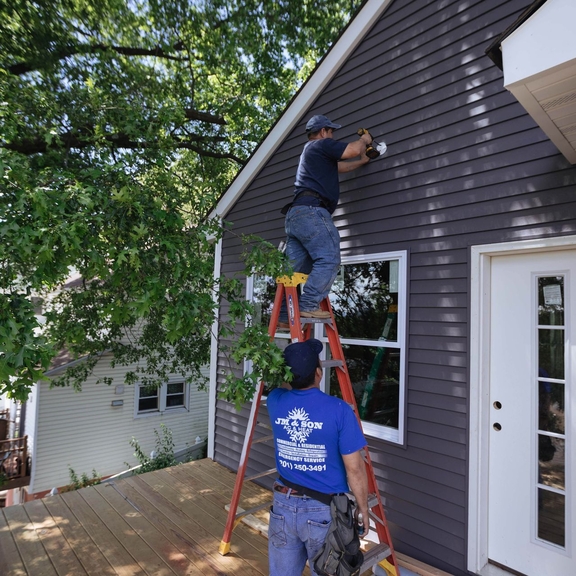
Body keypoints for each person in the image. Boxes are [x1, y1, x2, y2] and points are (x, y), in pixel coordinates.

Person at [267, 338, 369, 576]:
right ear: (318, 373)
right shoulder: (339, 410)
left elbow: (284, 384)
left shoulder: (275, 401)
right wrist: (362, 508)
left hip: (283, 504)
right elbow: (354, 470)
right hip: (323, 511)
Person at [282, 114, 373, 319]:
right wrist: (364, 141)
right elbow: (352, 150)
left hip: (296, 215)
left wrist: (362, 161)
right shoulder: (321, 145)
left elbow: (341, 167)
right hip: (313, 211)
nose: (332, 136)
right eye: (331, 132)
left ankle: (283, 317)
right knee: (329, 258)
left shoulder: (310, 154)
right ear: (323, 131)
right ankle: (308, 303)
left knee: (293, 272)